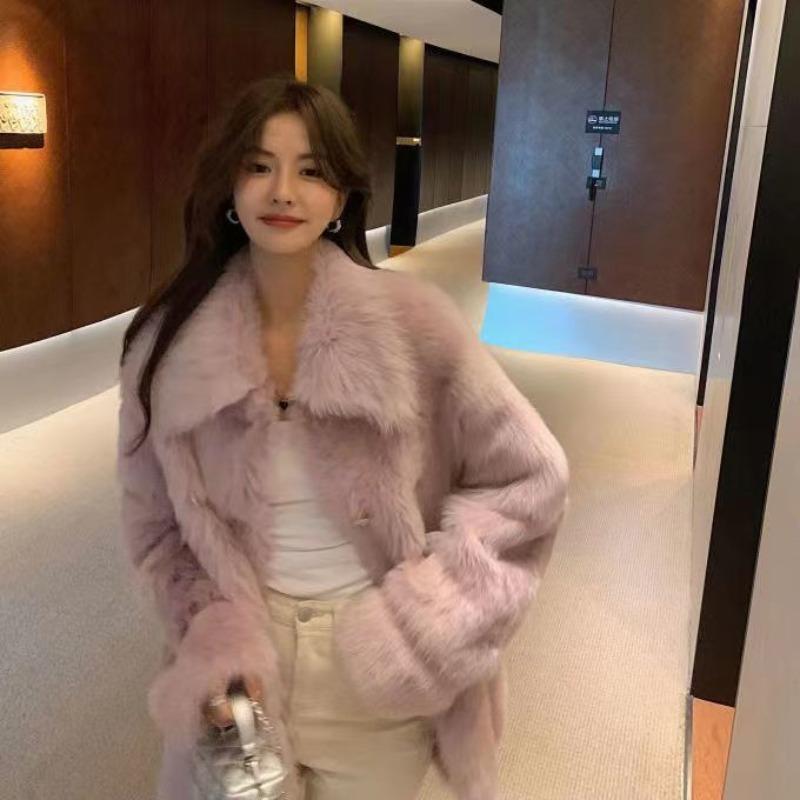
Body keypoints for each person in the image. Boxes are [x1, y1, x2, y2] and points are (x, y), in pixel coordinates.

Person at [117, 74, 569, 800]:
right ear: (230, 184)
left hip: (375, 667)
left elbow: (532, 478)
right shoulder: (167, 348)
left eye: (310, 170)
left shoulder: (412, 326)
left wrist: (428, 626)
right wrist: (210, 635)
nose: (282, 192)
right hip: (242, 676)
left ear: (341, 197)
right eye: (259, 165)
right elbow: (156, 528)